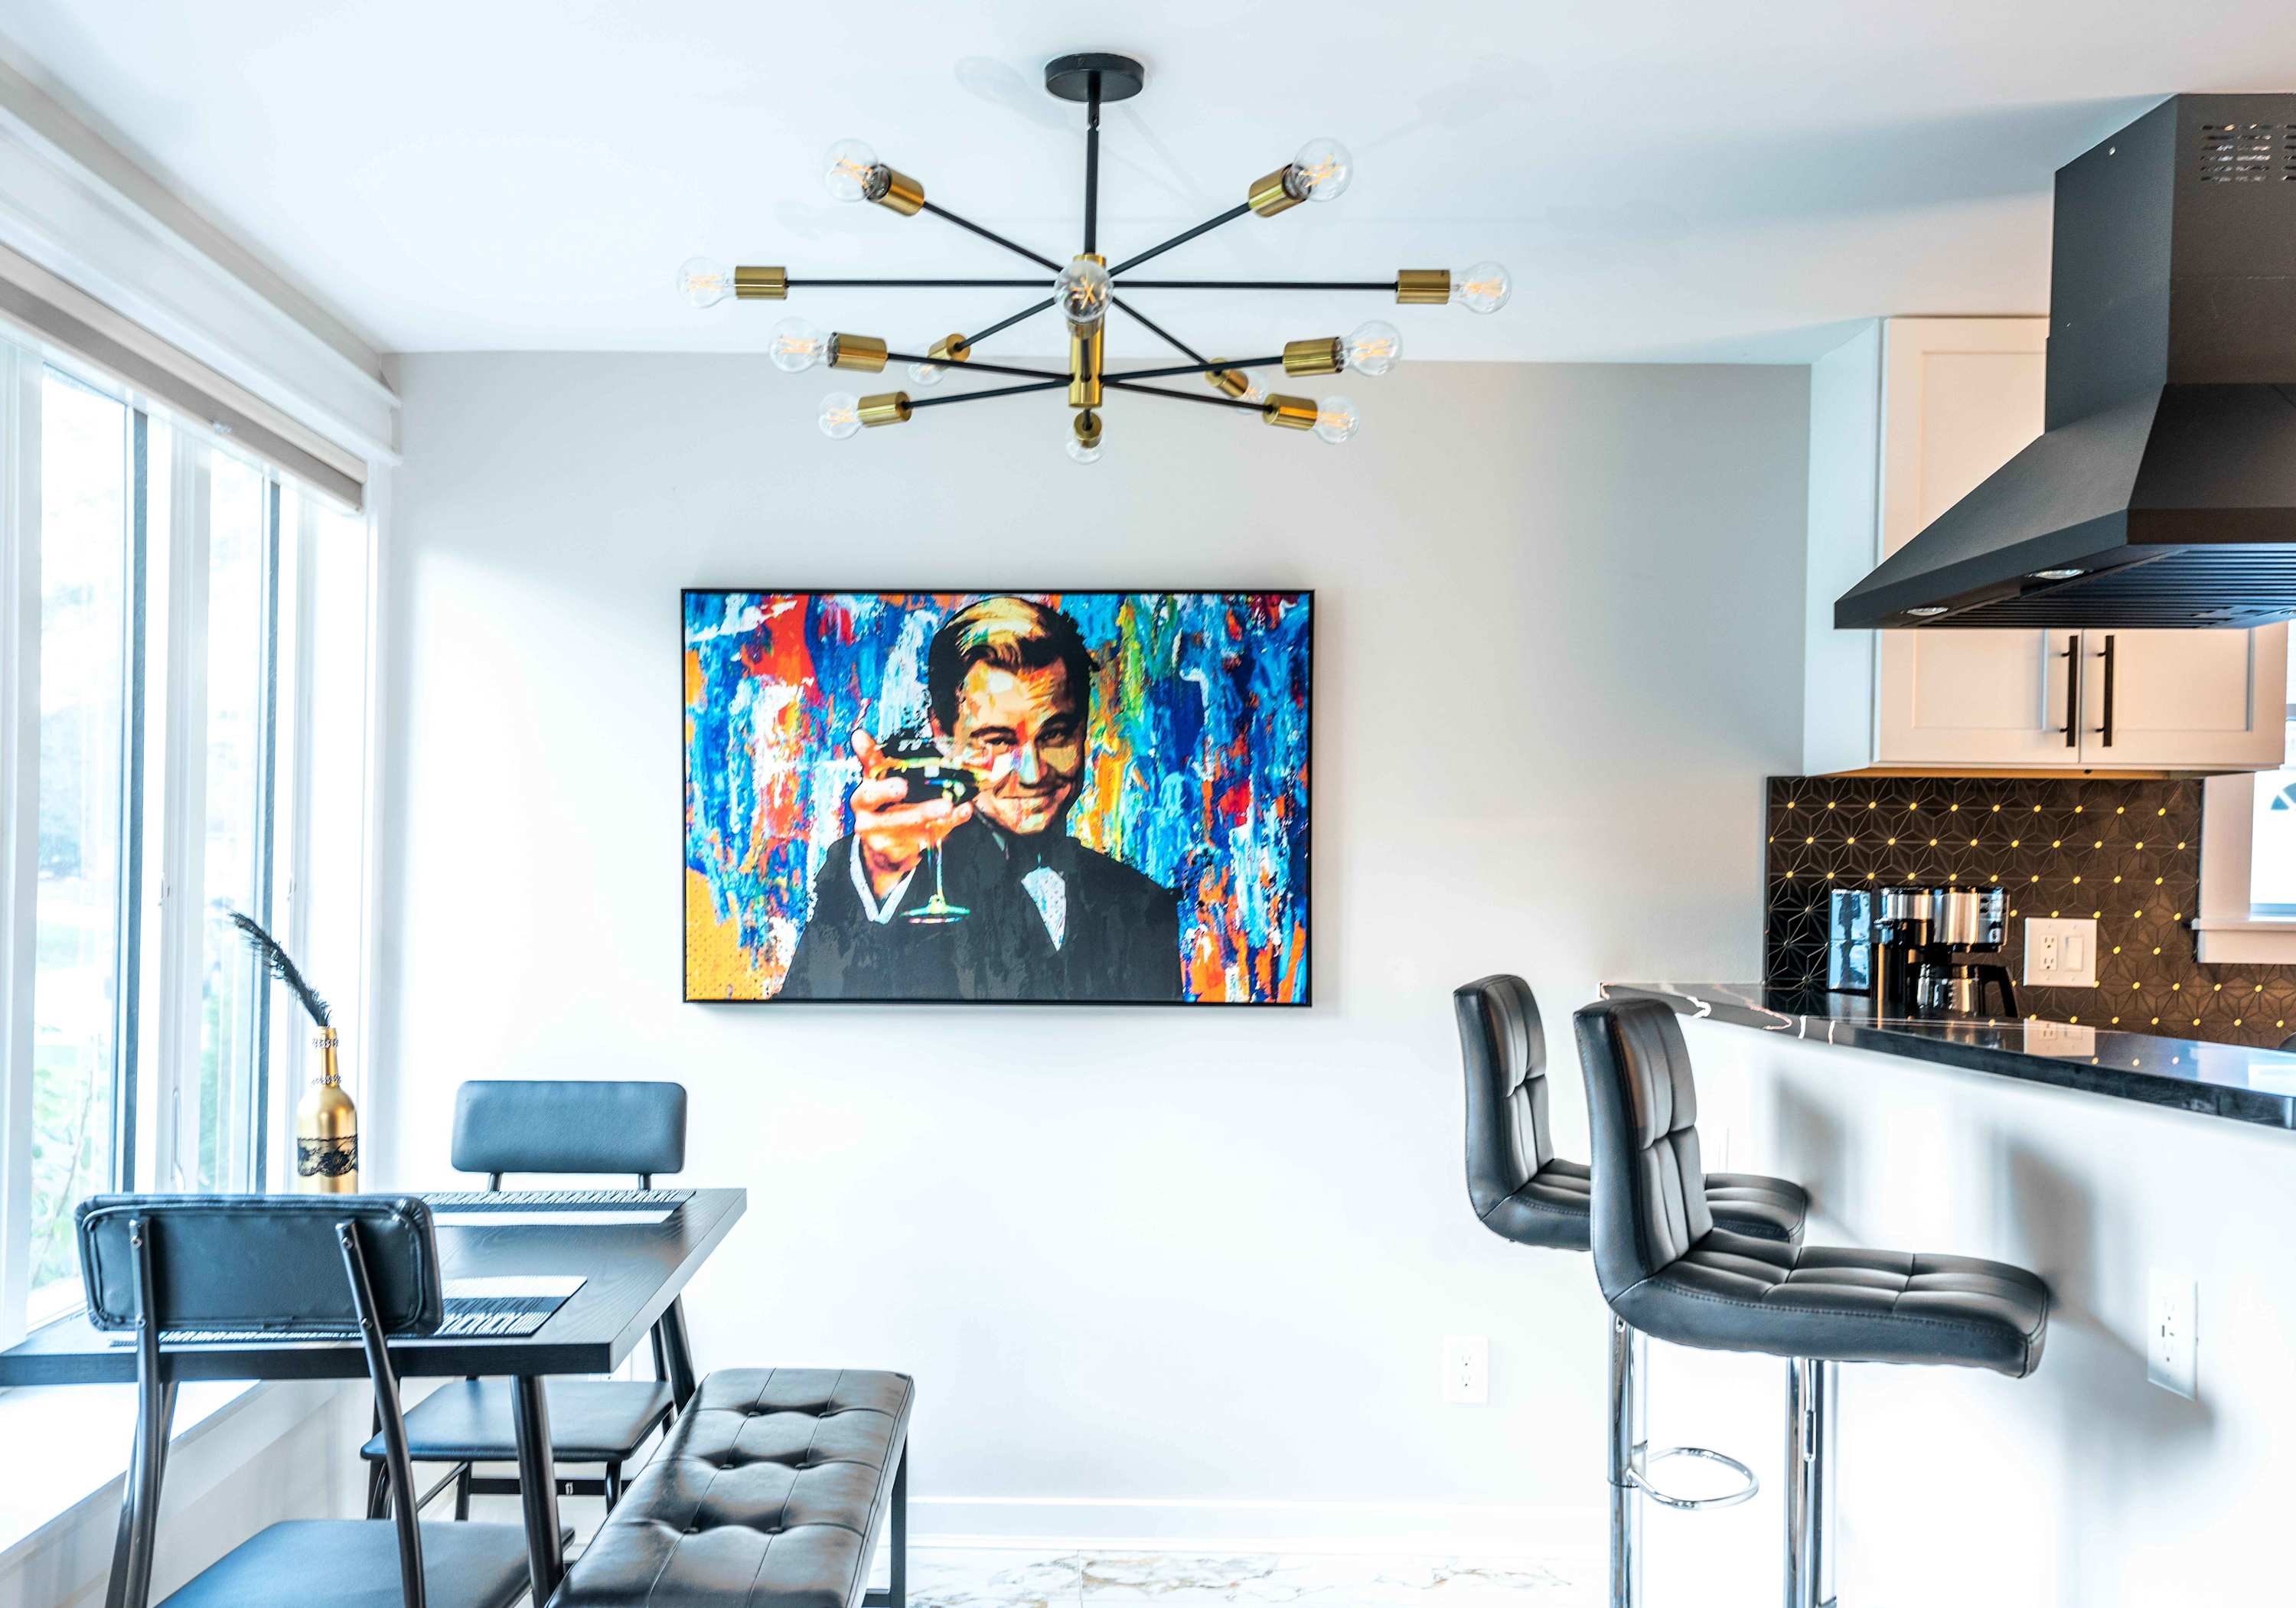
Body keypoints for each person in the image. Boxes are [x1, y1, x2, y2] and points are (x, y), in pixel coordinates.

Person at [780, 595, 1182, 1002]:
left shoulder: (1144, 905)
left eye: (1056, 734)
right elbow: (806, 1014)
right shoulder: (883, 881)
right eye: (998, 740)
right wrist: (880, 879)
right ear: (943, 736)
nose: (1033, 773)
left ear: (1084, 728)